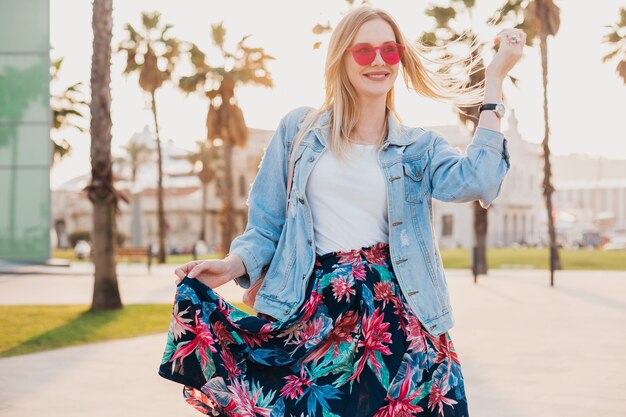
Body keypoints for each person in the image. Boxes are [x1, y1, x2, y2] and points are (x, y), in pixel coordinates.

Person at [159, 5, 524, 416]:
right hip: (316, 317)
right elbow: (267, 225)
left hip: (403, 322)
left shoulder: (420, 147)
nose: (379, 61)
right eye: (364, 51)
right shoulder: (298, 132)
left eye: (390, 50)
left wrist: (494, 81)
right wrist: (231, 265)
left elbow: (480, 180)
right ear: (342, 58)